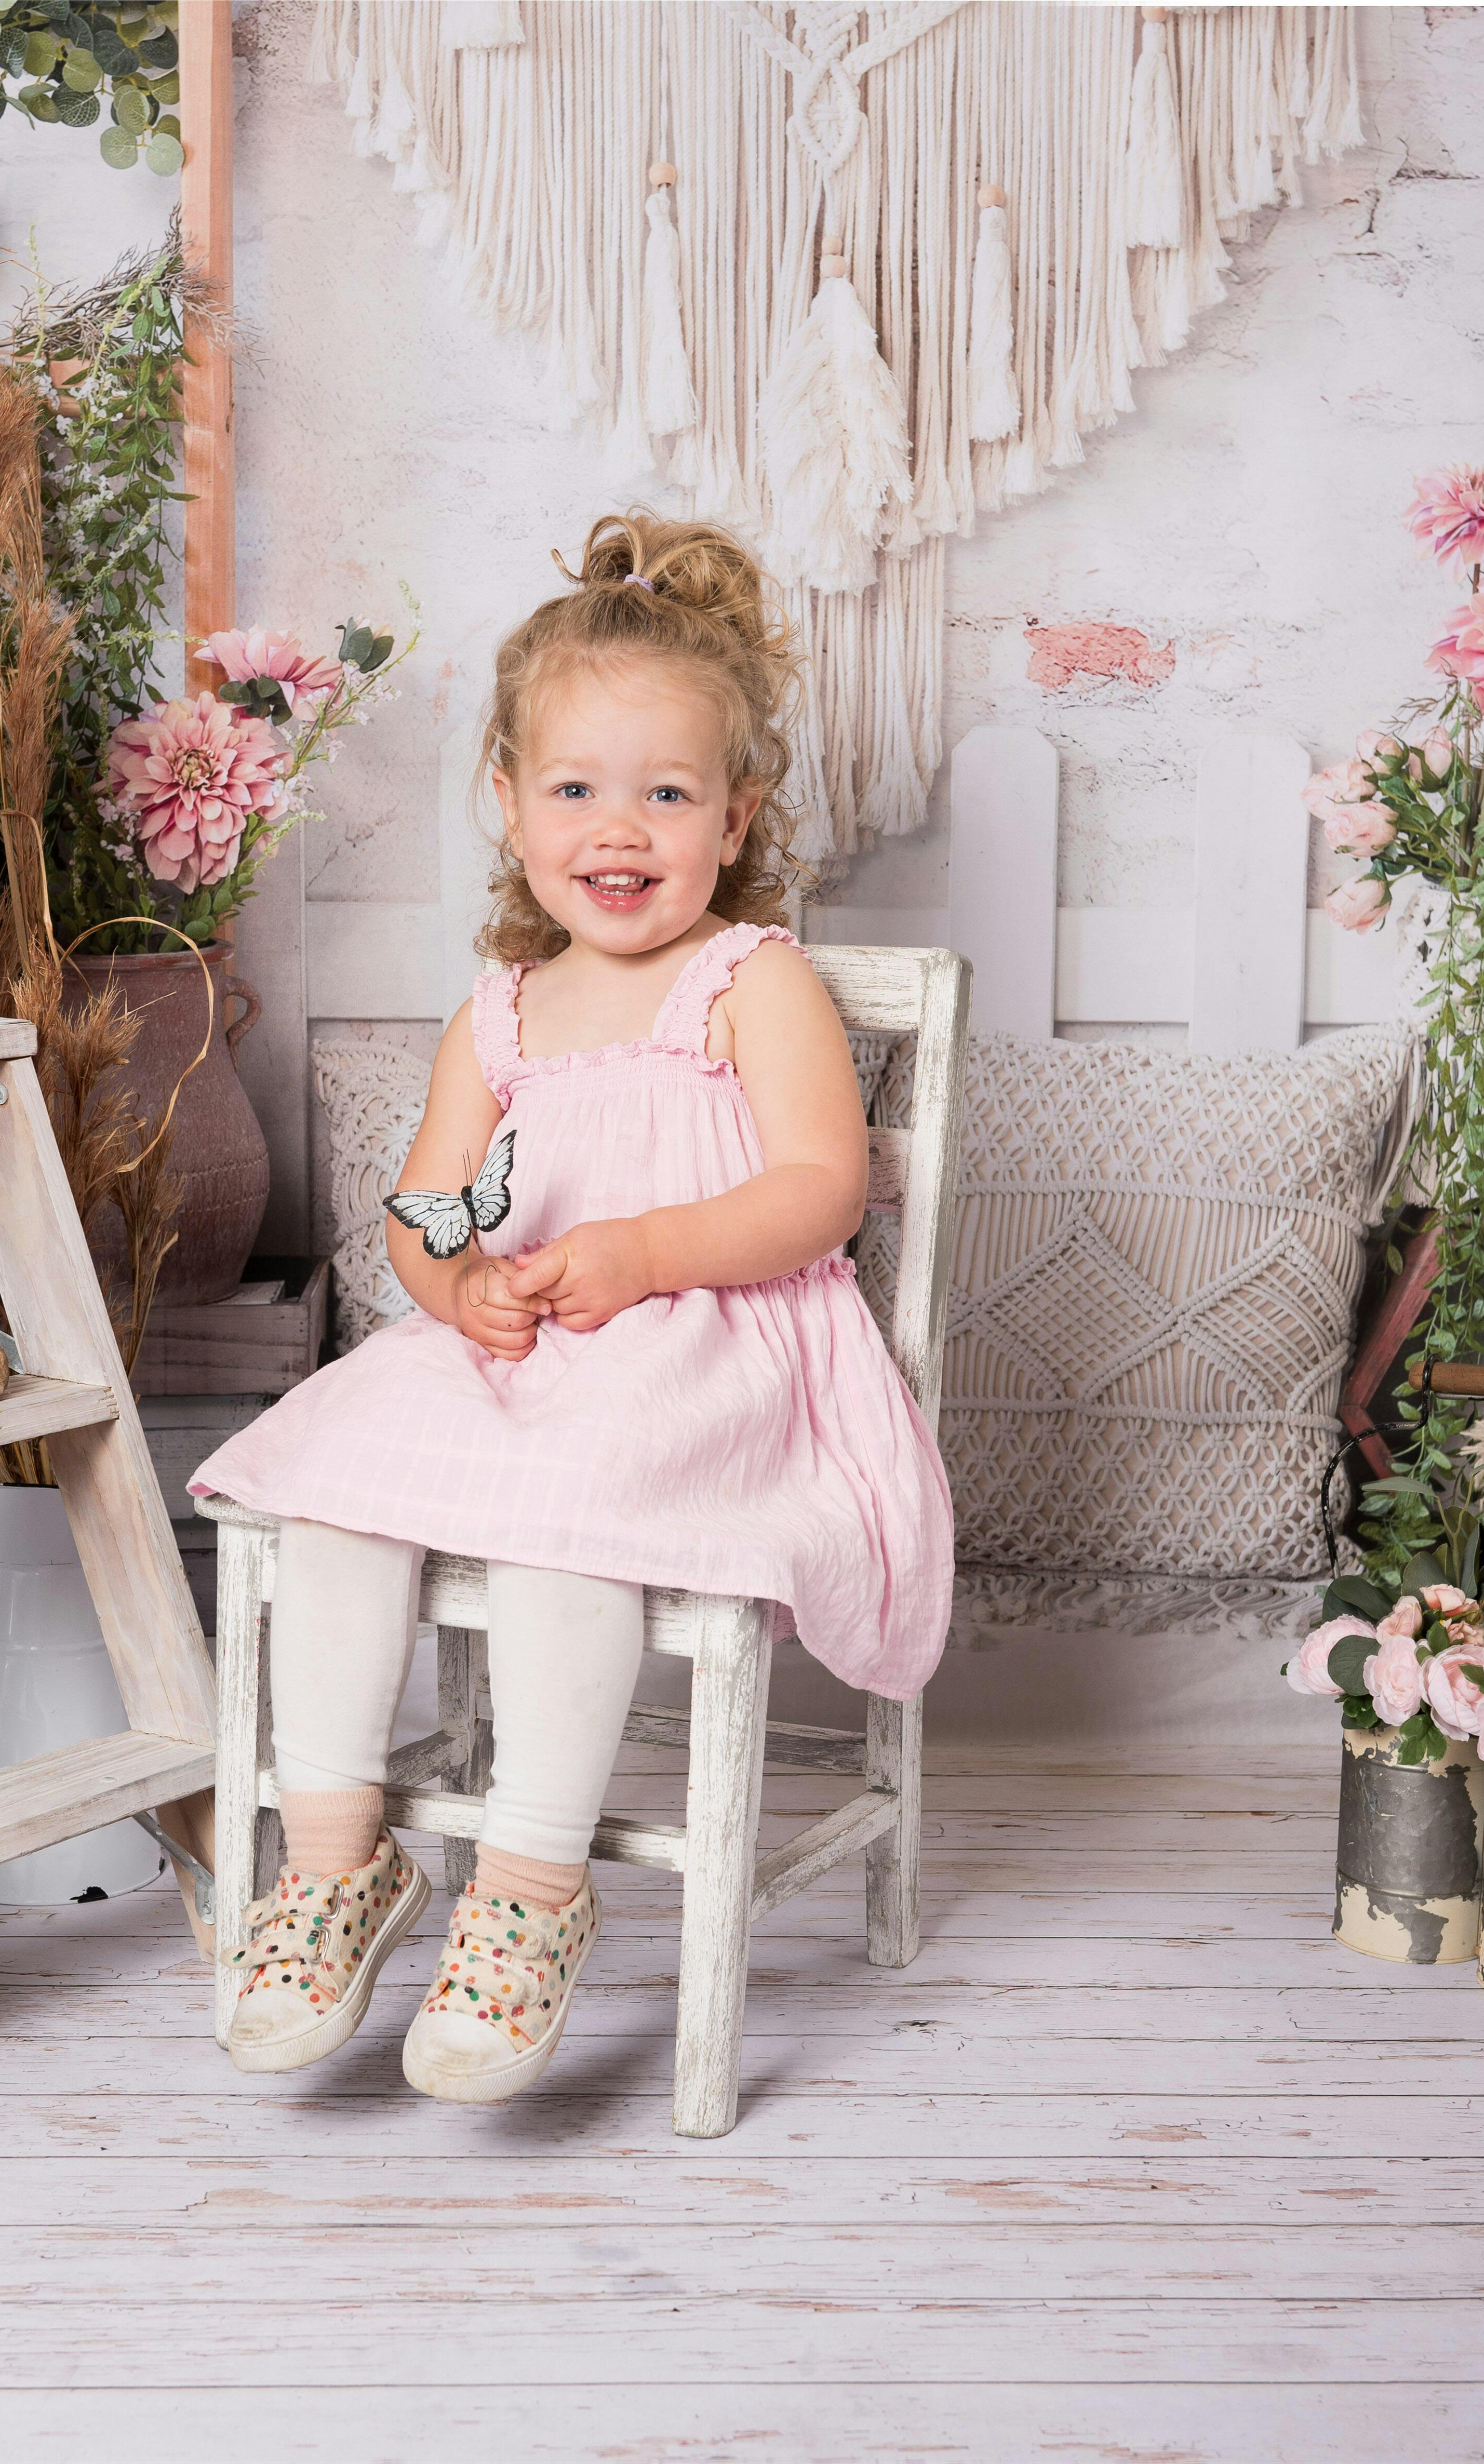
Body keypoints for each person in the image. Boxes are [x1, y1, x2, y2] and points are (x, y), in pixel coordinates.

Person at [189, 511, 953, 2103]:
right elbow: (423, 1212)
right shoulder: (502, 1013)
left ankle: (530, 1892)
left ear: (736, 813)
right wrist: (458, 1286)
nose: (621, 829)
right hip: (530, 1347)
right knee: (335, 1479)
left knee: (568, 1510)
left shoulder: (751, 980)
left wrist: (650, 1253)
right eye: (577, 790)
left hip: (713, 1341)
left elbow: (823, 1190)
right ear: (509, 799)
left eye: (667, 793)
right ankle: (335, 1863)